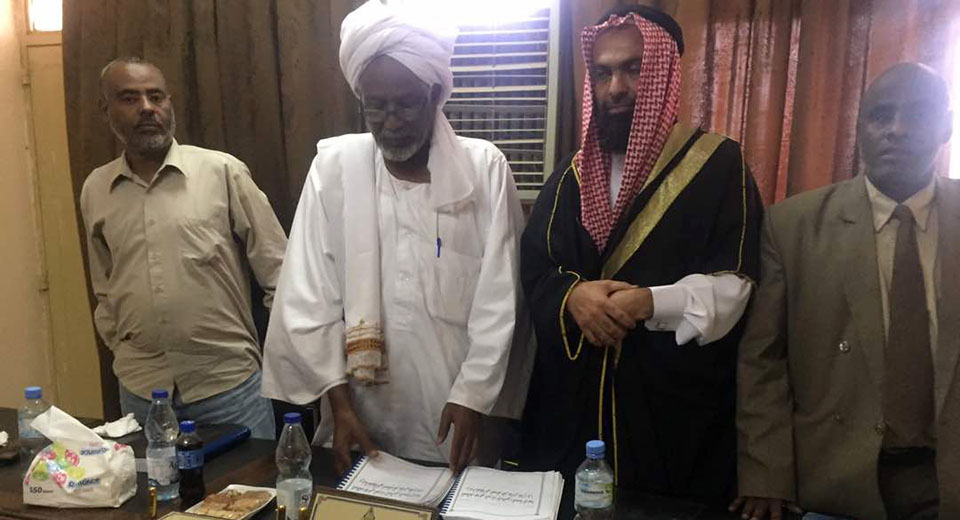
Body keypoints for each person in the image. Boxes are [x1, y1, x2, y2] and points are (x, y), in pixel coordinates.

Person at [260, 0, 530, 475]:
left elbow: (501, 300)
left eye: (405, 103)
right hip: (358, 419)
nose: (390, 120)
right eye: (376, 105)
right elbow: (308, 298)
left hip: (456, 419)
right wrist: (339, 405)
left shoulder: (483, 169)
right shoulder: (334, 170)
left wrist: (472, 396)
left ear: (434, 94)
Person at [520, 4, 763, 512]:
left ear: (664, 74)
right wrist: (573, 297)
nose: (616, 88)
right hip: (574, 417)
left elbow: (736, 284)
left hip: (671, 419)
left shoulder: (718, 165)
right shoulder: (570, 176)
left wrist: (651, 303)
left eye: (633, 69)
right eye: (603, 72)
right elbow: (537, 269)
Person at [734, 62, 960, 520]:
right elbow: (763, 360)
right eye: (880, 115)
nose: (897, 129)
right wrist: (766, 473)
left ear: (947, 127)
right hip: (834, 477)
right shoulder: (793, 226)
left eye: (917, 114)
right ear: (859, 128)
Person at [80, 57, 287, 439]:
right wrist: (122, 347)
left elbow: (279, 270)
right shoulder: (96, 188)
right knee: (152, 482)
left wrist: (279, 351)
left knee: (249, 479)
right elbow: (104, 286)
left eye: (156, 96)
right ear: (105, 109)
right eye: (130, 98)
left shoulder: (222, 172)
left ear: (169, 103)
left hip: (228, 387)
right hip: (141, 390)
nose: (147, 108)